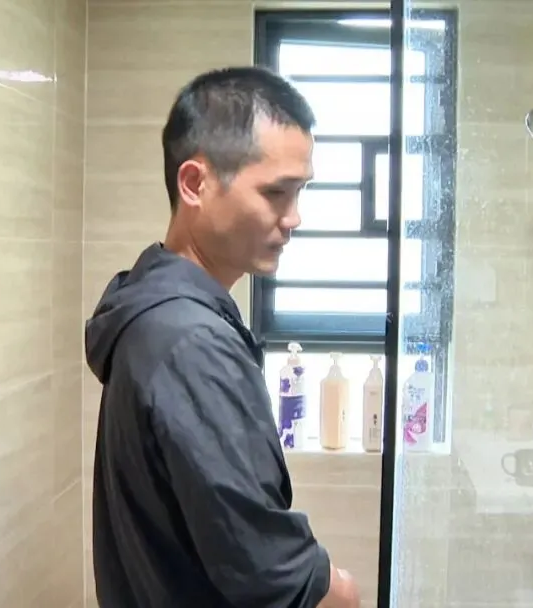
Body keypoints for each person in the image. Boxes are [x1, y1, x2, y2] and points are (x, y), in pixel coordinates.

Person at [84, 66, 362, 608]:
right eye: (276, 193)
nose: (294, 218)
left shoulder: (151, 306)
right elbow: (273, 577)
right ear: (194, 183)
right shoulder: (192, 343)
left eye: (300, 192)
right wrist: (344, 592)